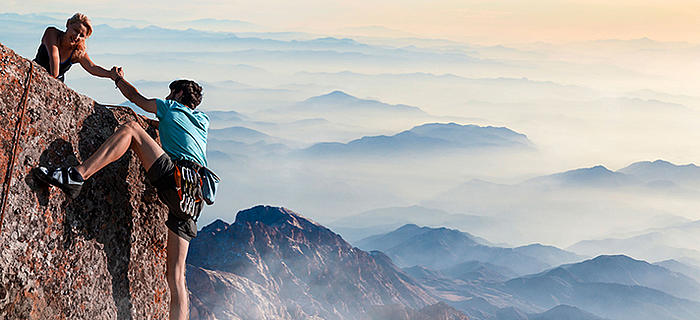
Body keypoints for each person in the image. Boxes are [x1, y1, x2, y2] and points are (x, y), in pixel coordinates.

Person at [34, 67, 208, 320]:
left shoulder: (170, 107)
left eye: (171, 92)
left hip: (176, 179)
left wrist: (116, 78)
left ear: (178, 93)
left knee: (130, 129)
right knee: (176, 276)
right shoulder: (203, 121)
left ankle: (77, 176)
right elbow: (176, 129)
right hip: (195, 195)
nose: (167, 96)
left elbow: (136, 98)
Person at [34, 13, 118, 82]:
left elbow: (92, 67)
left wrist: (111, 74)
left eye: (82, 35)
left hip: (57, 82)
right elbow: (54, 56)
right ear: (68, 24)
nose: (77, 37)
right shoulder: (52, 33)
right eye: (75, 30)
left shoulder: (78, 51)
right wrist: (53, 81)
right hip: (36, 74)